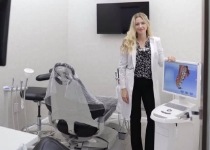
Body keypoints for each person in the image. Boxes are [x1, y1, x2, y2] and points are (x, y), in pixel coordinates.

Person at [118, 12, 175, 150]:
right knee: (134, 119)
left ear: (147, 24)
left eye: (142, 23)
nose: (140, 26)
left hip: (149, 84)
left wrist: (169, 58)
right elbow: (122, 66)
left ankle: (150, 147)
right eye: (137, 24)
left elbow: (160, 61)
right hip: (134, 85)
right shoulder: (128, 41)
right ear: (134, 26)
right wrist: (124, 88)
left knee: (152, 117)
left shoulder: (155, 41)